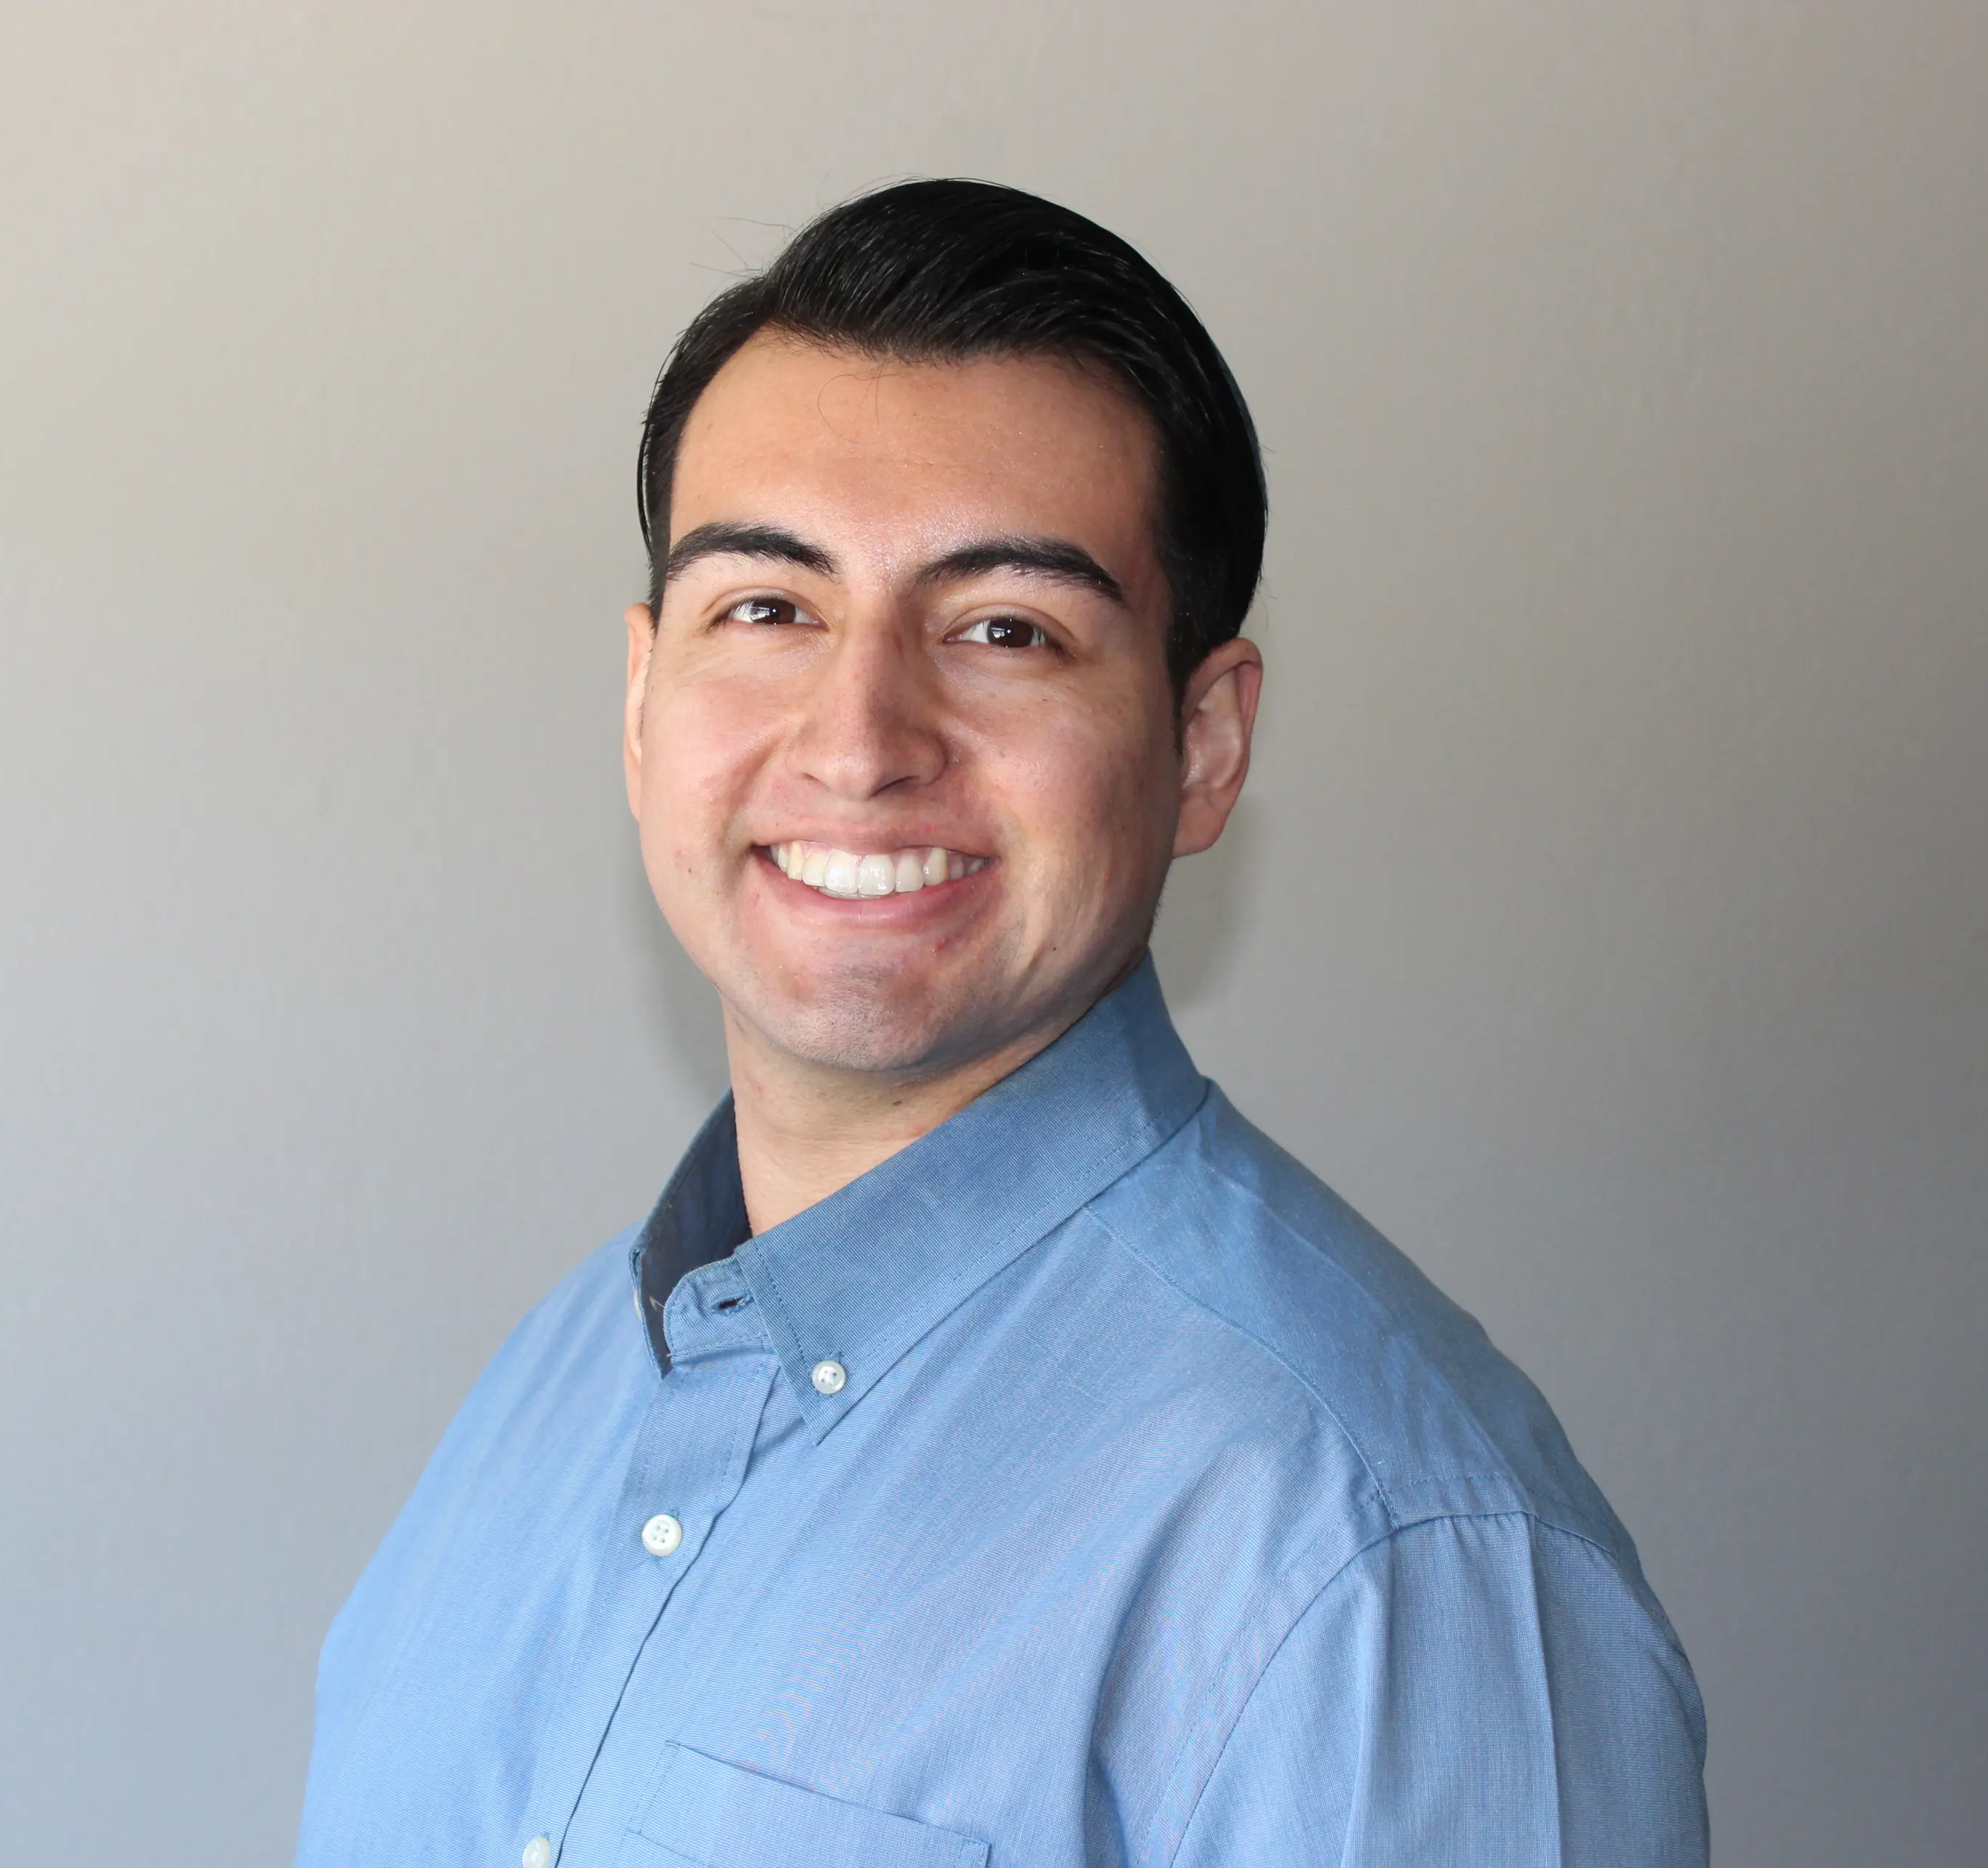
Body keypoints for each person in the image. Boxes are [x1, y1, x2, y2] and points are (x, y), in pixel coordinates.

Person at [294, 179, 1707, 1868]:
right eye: (767, 605)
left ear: (1203, 743)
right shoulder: (556, 1387)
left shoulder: (1380, 1558)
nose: (864, 735)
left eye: (1004, 629)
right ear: (643, 695)